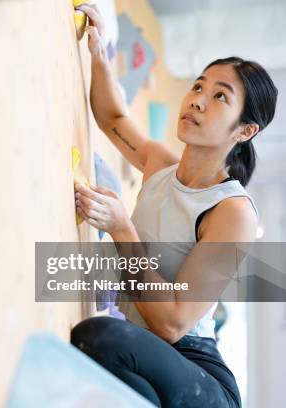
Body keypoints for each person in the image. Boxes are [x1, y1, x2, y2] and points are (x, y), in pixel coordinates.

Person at [70, 3, 278, 408]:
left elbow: (172, 323)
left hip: (198, 374)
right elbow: (113, 119)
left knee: (99, 337)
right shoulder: (161, 166)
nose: (198, 100)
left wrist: (121, 230)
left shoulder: (233, 211)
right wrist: (98, 53)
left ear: (245, 130)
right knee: (122, 378)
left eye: (220, 96)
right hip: (146, 353)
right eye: (199, 86)